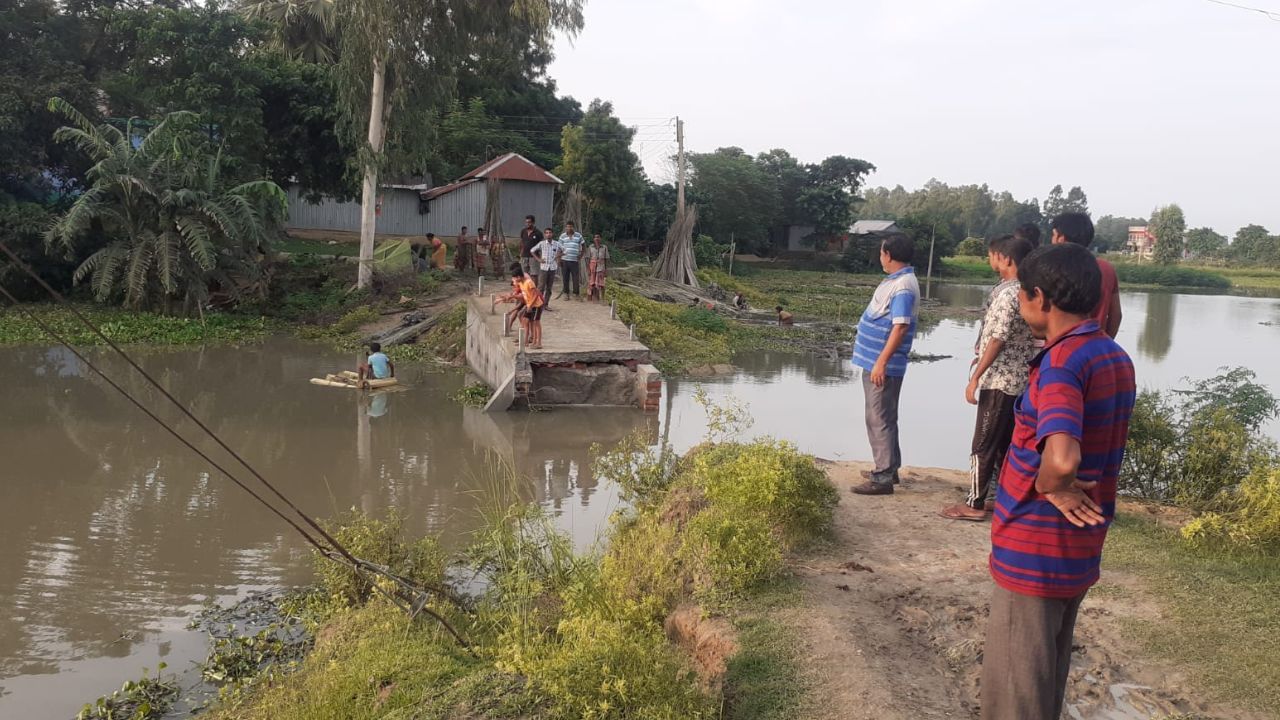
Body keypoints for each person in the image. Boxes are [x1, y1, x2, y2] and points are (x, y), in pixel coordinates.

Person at [980, 242, 1135, 720]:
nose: (1022, 302)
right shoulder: (1113, 355)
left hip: (1035, 546)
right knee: (1045, 669)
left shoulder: (1062, 364)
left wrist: (1051, 485)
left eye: (1023, 295)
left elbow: (1062, 456)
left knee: (1015, 684)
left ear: (1040, 298)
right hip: (1078, 546)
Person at [940, 235, 1038, 522]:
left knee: (983, 444)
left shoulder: (1010, 294)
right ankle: (1005, 498)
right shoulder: (1023, 291)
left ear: (1005, 259)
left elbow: (998, 338)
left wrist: (976, 376)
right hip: (1018, 379)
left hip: (1000, 380)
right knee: (1005, 444)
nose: (989, 260)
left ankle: (974, 503)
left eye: (991, 255)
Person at [849, 233, 920, 495]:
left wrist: (881, 362)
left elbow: (900, 327)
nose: (880, 257)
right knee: (884, 416)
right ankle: (888, 468)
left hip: (883, 366)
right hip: (878, 362)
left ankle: (882, 477)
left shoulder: (902, 286)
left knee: (878, 417)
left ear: (888, 255)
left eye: (882, 253)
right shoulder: (898, 281)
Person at [1050, 212, 1121, 338]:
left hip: (1063, 347)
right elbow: (1116, 315)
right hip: (1097, 344)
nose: (1052, 240)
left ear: (1061, 238)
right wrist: (1107, 343)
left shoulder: (1056, 268)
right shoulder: (1107, 269)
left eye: (1053, 235)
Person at [511, 262, 545, 349]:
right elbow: (525, 295)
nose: (514, 280)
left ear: (519, 277)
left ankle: (538, 343)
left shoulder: (529, 282)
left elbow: (536, 294)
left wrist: (530, 306)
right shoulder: (521, 284)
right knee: (525, 320)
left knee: (536, 323)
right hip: (529, 305)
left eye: (515, 278)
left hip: (537, 305)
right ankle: (525, 342)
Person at [532, 227, 562, 311]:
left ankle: (546, 304)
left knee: (549, 288)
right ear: (545, 234)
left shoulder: (556, 243)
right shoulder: (542, 243)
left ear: (552, 234)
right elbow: (532, 250)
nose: (548, 234)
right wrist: (538, 259)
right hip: (543, 268)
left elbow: (565, 250)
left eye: (550, 232)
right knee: (541, 287)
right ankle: (538, 304)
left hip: (552, 268)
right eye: (547, 233)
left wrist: (558, 255)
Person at [559, 221, 585, 301]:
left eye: (570, 227)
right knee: (565, 277)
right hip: (564, 260)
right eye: (567, 227)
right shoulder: (562, 236)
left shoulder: (578, 235)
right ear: (566, 227)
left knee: (575, 278)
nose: (569, 228)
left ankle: (576, 294)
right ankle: (566, 294)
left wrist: (581, 255)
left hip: (574, 261)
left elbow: (583, 245)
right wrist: (559, 259)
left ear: (573, 227)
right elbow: (559, 248)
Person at [585, 232, 610, 302]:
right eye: (595, 237)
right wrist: (588, 269)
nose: (597, 238)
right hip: (592, 267)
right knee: (591, 283)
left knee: (602, 284)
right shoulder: (590, 247)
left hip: (601, 267)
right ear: (593, 239)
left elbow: (606, 259)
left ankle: (603, 299)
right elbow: (587, 258)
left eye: (598, 237)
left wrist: (606, 269)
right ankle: (591, 298)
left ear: (600, 238)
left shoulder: (604, 247)